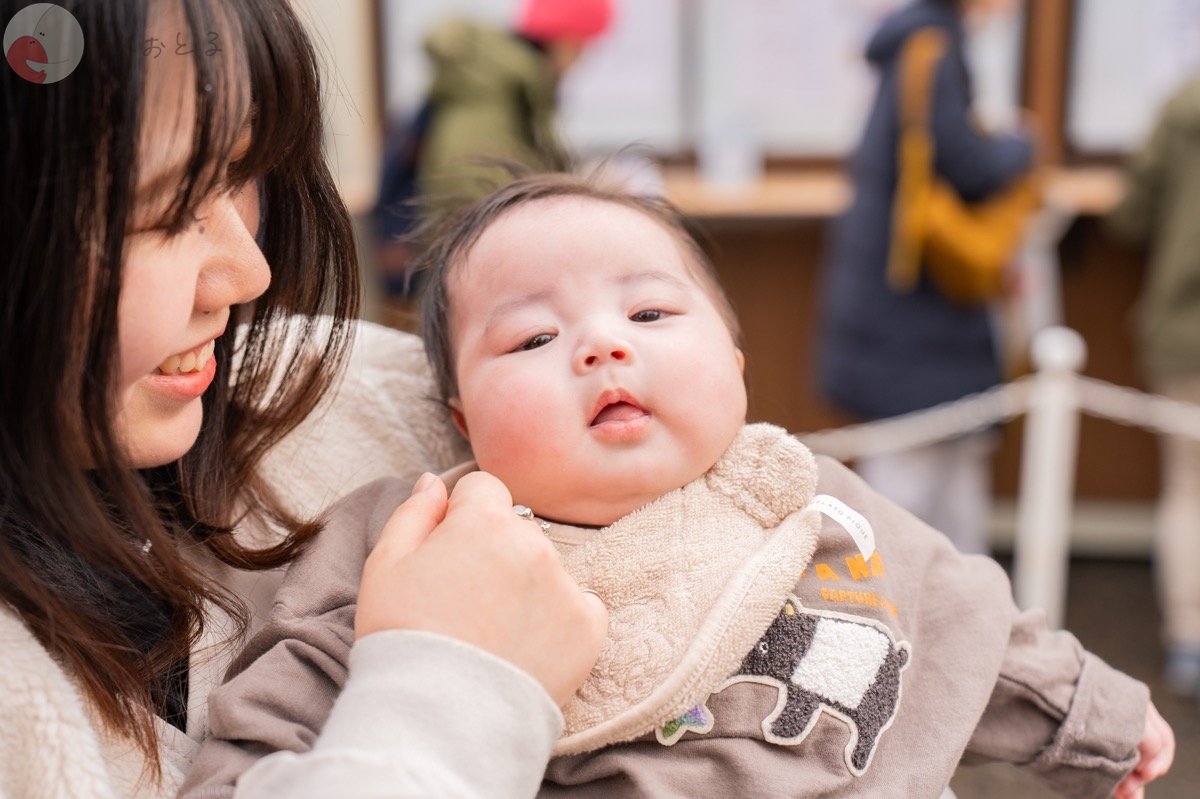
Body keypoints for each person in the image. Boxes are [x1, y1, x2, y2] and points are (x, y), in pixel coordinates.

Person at [183, 172, 1173, 799]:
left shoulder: (807, 495)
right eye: (532, 337)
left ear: (737, 363)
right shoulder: (420, 535)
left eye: (652, 313)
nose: (604, 343)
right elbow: (287, 705)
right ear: (459, 417)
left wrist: (1093, 722)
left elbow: (963, 627)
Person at [0, 1, 606, 796]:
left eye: (243, 172)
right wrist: (453, 695)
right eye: (164, 210)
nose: (249, 273)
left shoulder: (356, 395)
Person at [816, 0, 1035, 555]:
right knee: (913, 470)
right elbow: (964, 163)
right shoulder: (934, 46)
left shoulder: (913, 43)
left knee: (937, 459)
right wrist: (1020, 145)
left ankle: (941, 606)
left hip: (899, 290)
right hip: (916, 298)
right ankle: (898, 608)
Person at [373, 0, 614, 298]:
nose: (580, 62)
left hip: (474, 283)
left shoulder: (508, 88)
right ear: (565, 39)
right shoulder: (491, 99)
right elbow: (471, 210)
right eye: (582, 48)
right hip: (473, 290)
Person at [1106, 73, 1200, 700]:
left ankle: (1191, 638)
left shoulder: (1185, 105)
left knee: (1189, 488)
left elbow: (1131, 218)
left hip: (1186, 329)